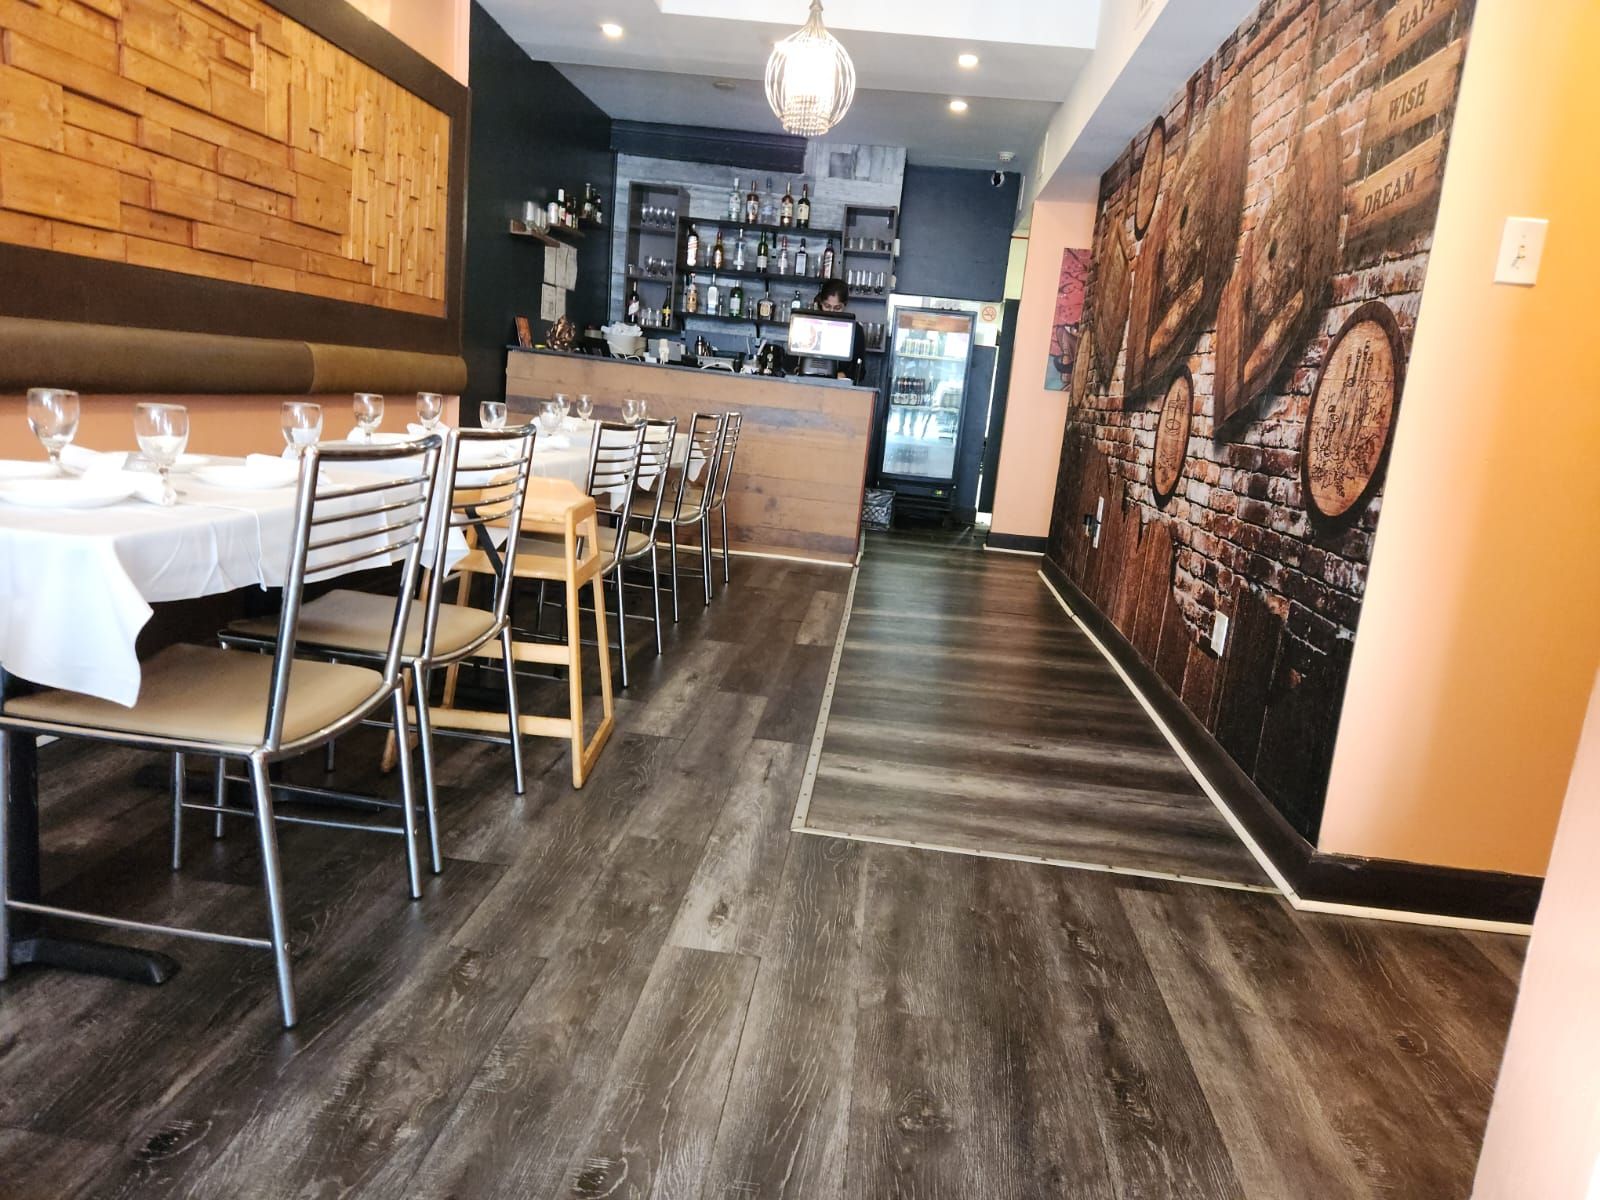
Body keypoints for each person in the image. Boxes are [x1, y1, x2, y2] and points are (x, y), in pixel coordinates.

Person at [791, 279, 865, 384]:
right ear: (821, 303)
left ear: (845, 305)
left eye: (837, 308)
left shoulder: (855, 330)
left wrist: (844, 375)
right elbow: (791, 360)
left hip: (838, 387)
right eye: (827, 306)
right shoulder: (807, 324)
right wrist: (797, 369)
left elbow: (860, 370)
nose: (831, 312)